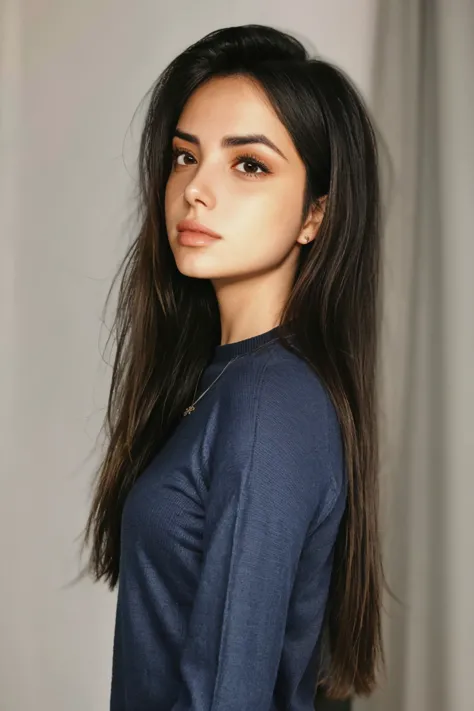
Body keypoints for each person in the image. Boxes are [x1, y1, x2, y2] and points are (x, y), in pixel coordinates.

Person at [82, 23, 384, 711]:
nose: (195, 189)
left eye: (248, 164)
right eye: (185, 157)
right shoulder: (229, 379)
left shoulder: (264, 403)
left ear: (316, 214)